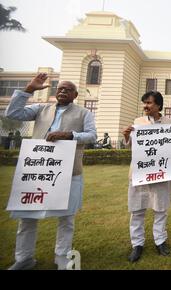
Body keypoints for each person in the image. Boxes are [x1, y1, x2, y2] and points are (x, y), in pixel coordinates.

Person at [5, 73, 97, 270]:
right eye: (60, 88)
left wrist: (69, 135)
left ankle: (62, 258)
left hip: (69, 172)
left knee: (66, 218)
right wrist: (29, 89)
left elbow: (91, 136)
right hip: (37, 171)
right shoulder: (41, 109)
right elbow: (12, 114)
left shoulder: (83, 113)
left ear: (75, 94)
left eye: (68, 89)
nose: (63, 91)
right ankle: (24, 258)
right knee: (27, 216)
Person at [122, 90, 171, 262]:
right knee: (137, 209)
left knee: (161, 209)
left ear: (158, 105)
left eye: (149, 103)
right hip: (140, 173)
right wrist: (127, 136)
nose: (145, 106)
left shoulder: (168, 123)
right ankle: (137, 244)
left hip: (161, 173)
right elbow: (131, 148)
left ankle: (160, 241)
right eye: (144, 103)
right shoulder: (138, 122)